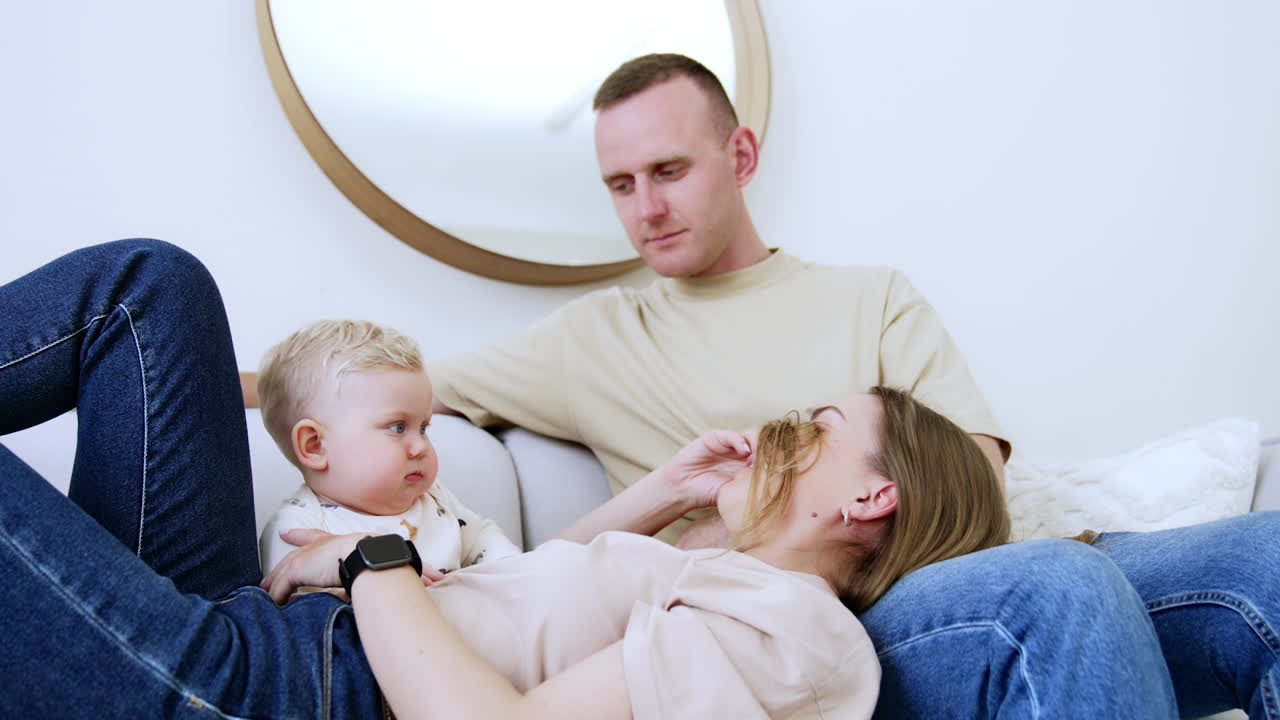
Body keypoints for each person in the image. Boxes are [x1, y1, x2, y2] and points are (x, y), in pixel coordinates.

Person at [418, 54, 1279, 717]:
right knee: (1058, 588)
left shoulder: (874, 297)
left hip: (946, 570)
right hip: (795, 616)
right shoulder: (594, 338)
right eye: (620, 184)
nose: (645, 208)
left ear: (740, 155)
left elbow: (966, 481)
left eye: (669, 171)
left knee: (1266, 559)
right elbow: (390, 398)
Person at [1, 240, 1181, 717]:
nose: (780, 428)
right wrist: (664, 495)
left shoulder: (790, 631)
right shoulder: (719, 581)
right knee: (152, 290)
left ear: (867, 498)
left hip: (274, 689)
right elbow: (531, 596)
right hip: (262, 630)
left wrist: (374, 557)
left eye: (819, 424)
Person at [255, 319, 519, 577]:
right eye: (398, 428)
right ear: (315, 446)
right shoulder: (296, 530)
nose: (420, 446)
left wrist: (513, 571)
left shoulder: (435, 497)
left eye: (423, 428)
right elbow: (298, 598)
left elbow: (481, 539)